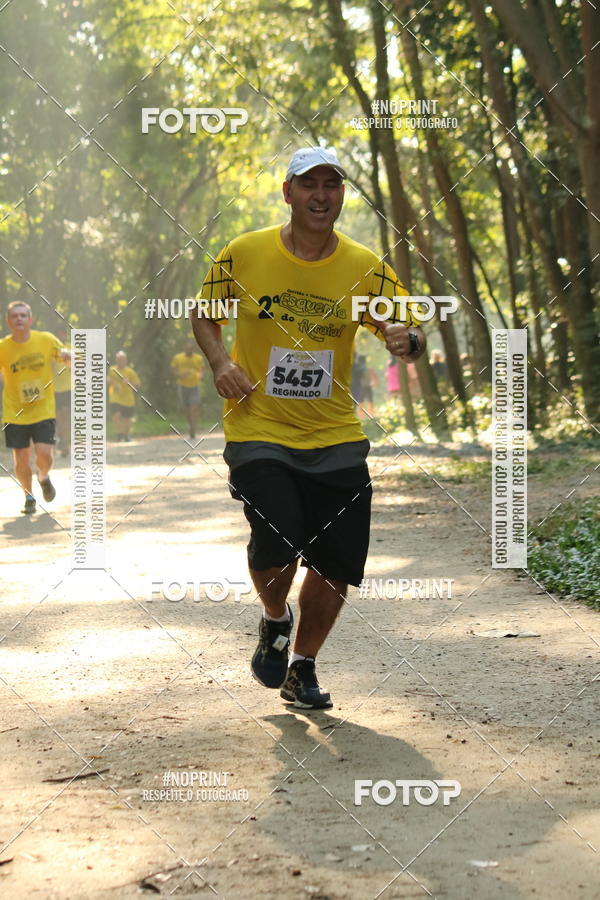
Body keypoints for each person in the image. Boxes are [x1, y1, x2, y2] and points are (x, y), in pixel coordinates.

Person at [192, 146, 426, 708]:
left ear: (341, 194)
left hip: (336, 433)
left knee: (336, 561)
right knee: (278, 542)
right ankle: (275, 616)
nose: (322, 196)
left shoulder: (365, 267)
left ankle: (302, 666)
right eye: (310, 185)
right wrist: (222, 364)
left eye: (332, 185)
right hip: (259, 428)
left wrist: (406, 341)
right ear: (289, 193)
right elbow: (204, 313)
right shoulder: (244, 253)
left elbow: (411, 333)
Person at [0, 301, 70, 514]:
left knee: (44, 455)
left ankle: (43, 477)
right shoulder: (3, 347)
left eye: (23, 315)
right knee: (21, 457)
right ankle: (29, 497)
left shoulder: (45, 340)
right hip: (15, 411)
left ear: (31, 320)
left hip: (43, 409)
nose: (19, 319)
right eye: (15, 316)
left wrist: (70, 357)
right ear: (8, 321)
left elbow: (64, 354)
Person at [170, 340, 204, 438]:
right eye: (187, 348)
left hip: (195, 386)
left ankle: (193, 428)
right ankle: (190, 425)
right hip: (182, 385)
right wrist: (179, 375)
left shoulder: (198, 358)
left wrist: (200, 376)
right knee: (186, 409)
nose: (189, 350)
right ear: (184, 348)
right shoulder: (178, 358)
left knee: (194, 407)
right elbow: (172, 369)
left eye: (191, 349)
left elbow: (201, 370)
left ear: (193, 349)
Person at [108, 351, 140, 442]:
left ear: (126, 360)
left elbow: (137, 385)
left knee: (127, 418)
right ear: (116, 360)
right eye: (118, 359)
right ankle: (119, 434)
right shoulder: (112, 369)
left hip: (127, 399)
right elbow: (109, 378)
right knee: (116, 415)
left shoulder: (130, 372)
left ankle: (126, 435)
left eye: (122, 359)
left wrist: (129, 383)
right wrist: (108, 380)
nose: (120, 361)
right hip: (115, 397)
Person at [53, 328, 71, 457]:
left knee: (66, 415)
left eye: (64, 333)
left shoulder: (71, 348)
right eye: (60, 332)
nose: (62, 335)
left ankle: (65, 442)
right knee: (58, 417)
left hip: (69, 387)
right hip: (55, 388)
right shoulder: (52, 350)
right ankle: (61, 438)